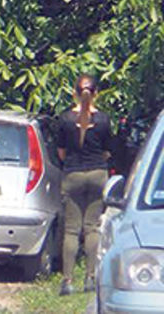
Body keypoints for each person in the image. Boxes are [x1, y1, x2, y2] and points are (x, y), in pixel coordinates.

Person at [57, 74, 112, 296]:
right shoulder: (104, 120)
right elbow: (108, 151)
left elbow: (61, 152)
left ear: (74, 93)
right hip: (98, 173)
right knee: (92, 228)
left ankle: (68, 280)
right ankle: (90, 277)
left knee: (71, 230)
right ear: (96, 93)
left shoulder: (65, 119)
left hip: (73, 174)